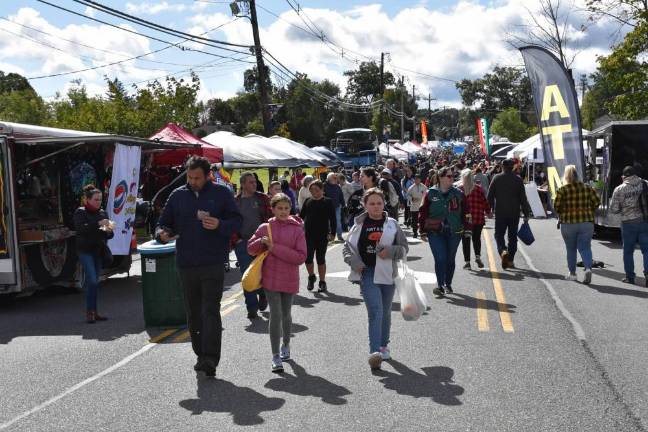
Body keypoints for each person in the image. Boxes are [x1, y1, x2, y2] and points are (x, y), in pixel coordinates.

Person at [157, 156, 242, 377]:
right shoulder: (177, 196)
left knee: (210, 310)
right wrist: (162, 234)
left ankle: (211, 359)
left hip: (213, 262)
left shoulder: (221, 194)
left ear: (208, 176)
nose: (193, 181)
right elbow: (163, 222)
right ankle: (200, 354)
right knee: (194, 313)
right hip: (186, 263)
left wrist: (220, 224)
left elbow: (237, 221)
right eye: (190, 177)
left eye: (197, 178)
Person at [343, 188, 408, 370]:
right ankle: (374, 353)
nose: (376, 206)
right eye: (371, 203)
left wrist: (392, 251)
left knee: (385, 311)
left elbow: (404, 248)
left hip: (388, 272)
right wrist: (354, 262)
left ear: (384, 203)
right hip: (368, 272)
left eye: (379, 203)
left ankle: (383, 345)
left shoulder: (392, 224)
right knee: (375, 310)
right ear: (365, 205)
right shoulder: (358, 225)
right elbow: (347, 249)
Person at [248, 193, 307, 373]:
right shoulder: (265, 227)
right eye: (279, 208)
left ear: (291, 209)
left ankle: (286, 345)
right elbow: (250, 249)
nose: (283, 211)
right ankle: (275, 355)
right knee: (275, 314)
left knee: (286, 314)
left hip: (289, 277)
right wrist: (260, 241)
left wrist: (274, 248)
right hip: (270, 277)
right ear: (272, 209)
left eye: (286, 208)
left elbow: (300, 257)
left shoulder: (297, 229)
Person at [418, 166, 467, 297]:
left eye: (453, 176)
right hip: (435, 231)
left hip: (455, 231)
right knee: (440, 258)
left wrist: (468, 229)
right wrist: (422, 230)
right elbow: (422, 212)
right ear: (440, 177)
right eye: (449, 176)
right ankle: (440, 285)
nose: (452, 178)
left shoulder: (459, 193)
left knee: (450, 259)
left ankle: (448, 284)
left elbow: (466, 213)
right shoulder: (430, 193)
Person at [73, 184, 114, 324]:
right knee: (91, 280)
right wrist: (98, 224)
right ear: (88, 200)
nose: (99, 202)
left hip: (98, 251)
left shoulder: (103, 213)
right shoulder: (80, 212)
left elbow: (109, 235)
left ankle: (94, 311)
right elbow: (81, 229)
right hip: (85, 251)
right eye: (96, 199)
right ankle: (90, 312)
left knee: (95, 282)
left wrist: (108, 229)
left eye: (100, 199)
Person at [234, 172, 272, 320]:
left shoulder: (263, 198)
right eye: (250, 182)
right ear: (242, 184)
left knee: (262, 272)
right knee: (247, 276)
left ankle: (262, 293)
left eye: (255, 182)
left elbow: (270, 218)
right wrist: (236, 240)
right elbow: (231, 221)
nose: (254, 184)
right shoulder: (235, 202)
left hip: (262, 242)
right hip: (242, 243)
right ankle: (251, 307)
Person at [553, 165, 600, 284]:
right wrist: (588, 210)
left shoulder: (562, 190)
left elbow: (556, 207)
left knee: (571, 249)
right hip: (586, 222)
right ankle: (588, 268)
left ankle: (572, 274)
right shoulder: (588, 188)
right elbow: (596, 202)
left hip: (568, 223)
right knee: (585, 247)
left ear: (566, 176)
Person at [487, 158, 531, 269]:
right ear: (513, 167)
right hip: (514, 213)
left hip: (500, 212)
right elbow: (523, 199)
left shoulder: (496, 178)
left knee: (499, 235)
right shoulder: (518, 179)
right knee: (512, 237)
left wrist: (488, 210)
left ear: (502, 167)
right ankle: (510, 260)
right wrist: (526, 213)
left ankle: (502, 250)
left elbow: (490, 196)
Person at [609, 165, 648, 285]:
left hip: (628, 224)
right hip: (644, 221)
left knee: (628, 251)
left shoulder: (619, 189)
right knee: (646, 250)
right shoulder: (645, 183)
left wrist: (624, 208)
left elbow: (613, 209)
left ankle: (630, 277)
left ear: (623, 176)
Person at [299, 180, 336, 293]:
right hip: (308, 235)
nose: (314, 192)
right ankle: (311, 277)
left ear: (322, 190)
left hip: (322, 235)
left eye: (317, 190)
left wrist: (333, 233)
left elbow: (333, 219)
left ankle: (322, 282)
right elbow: (301, 218)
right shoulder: (307, 201)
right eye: (312, 190)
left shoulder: (328, 202)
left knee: (320, 259)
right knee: (308, 258)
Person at [459, 169, 491, 269]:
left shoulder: (460, 189)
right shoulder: (478, 188)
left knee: (466, 240)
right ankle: (477, 256)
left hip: (466, 220)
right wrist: (488, 212)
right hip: (478, 218)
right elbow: (485, 202)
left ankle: (467, 262)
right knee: (477, 238)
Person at [324, 172, 345, 242]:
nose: (336, 179)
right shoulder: (324, 186)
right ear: (329, 179)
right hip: (326, 207)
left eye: (336, 178)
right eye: (334, 178)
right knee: (327, 222)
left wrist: (344, 204)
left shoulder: (337, 186)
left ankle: (339, 236)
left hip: (337, 207)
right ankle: (329, 236)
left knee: (337, 221)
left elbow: (341, 196)